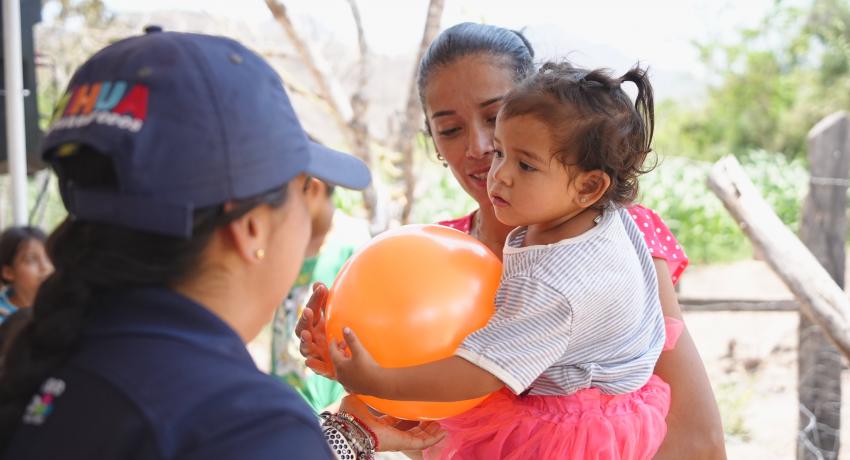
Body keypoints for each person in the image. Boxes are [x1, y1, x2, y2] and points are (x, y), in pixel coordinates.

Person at [0, 29, 443, 460]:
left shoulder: (47, 363)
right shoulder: (243, 424)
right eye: (302, 188)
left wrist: (348, 434)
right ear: (251, 227)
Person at [297, 22, 726, 459]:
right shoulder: (430, 256)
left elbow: (700, 442)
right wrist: (347, 360)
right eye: (450, 129)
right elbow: (429, 433)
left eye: (494, 117)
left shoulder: (609, 241)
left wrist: (378, 380)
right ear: (433, 141)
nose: (480, 148)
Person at [272, 177, 357, 412]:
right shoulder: (286, 238)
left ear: (313, 188)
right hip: (281, 395)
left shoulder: (352, 244)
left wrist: (338, 411)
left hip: (326, 410)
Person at [0, 226, 53, 321]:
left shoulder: (63, 305)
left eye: (48, 257)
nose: (45, 267)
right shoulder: (3, 317)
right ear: (8, 272)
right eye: (31, 260)